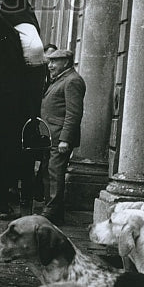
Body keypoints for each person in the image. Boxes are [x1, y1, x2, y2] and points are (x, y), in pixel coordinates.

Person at [39, 49, 85, 226]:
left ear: (66, 62)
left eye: (54, 62)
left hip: (59, 138)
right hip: (50, 136)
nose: (50, 65)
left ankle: (50, 211)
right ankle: (54, 212)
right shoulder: (61, 79)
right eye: (50, 61)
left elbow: (73, 114)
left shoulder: (73, 81)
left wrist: (65, 139)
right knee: (48, 172)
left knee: (55, 174)